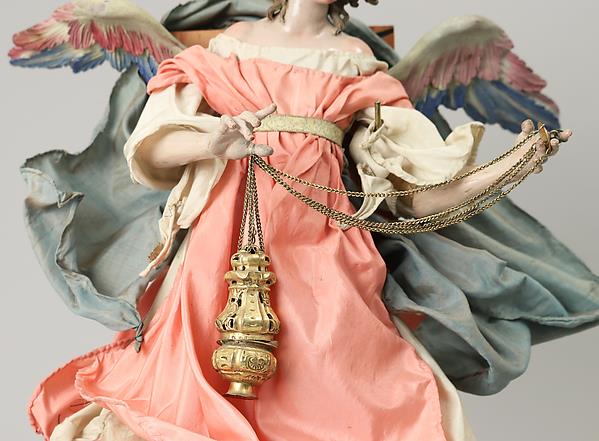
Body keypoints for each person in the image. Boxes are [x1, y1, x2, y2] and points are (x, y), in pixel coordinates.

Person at [26, 1, 583, 440]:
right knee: (192, 385)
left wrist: (509, 167)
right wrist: (212, 140)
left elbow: (415, 199)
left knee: (346, 387)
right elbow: (152, 148)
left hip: (323, 249)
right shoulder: (228, 49)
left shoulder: (357, 66)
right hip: (222, 246)